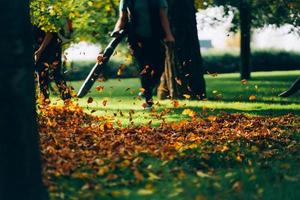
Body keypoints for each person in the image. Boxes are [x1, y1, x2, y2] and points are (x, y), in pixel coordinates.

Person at [112, 0, 175, 108]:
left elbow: (163, 18)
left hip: (155, 37)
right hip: (136, 39)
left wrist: (168, 35)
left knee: (159, 67)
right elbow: (122, 18)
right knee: (144, 69)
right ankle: (149, 100)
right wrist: (117, 29)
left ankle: (147, 88)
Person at [34, 26, 72, 103]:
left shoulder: (43, 17)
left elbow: (49, 34)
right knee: (42, 75)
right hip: (41, 47)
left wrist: (39, 51)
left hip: (51, 47)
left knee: (56, 74)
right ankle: (45, 100)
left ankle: (67, 99)